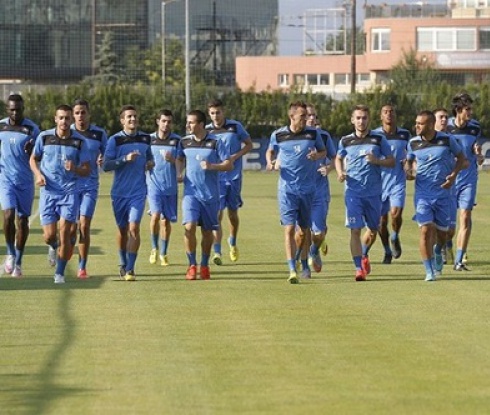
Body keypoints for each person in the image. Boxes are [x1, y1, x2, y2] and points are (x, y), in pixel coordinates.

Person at [265, 101, 326, 284]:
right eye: (302, 116)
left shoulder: (313, 134)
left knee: (304, 230)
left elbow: (323, 151)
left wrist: (316, 156)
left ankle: (303, 260)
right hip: (287, 190)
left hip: (307, 189)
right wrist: (270, 162)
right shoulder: (278, 135)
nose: (306, 119)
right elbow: (270, 151)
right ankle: (292, 269)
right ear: (291, 117)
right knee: (290, 228)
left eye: (306, 116)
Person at [29, 104, 91, 284]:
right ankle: (53, 246)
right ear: (55, 119)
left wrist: (75, 168)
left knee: (65, 234)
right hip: (48, 192)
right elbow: (33, 159)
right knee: (49, 236)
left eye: (67, 118)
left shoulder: (79, 142)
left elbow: (87, 169)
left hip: (69, 193)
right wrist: (38, 175)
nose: (64, 121)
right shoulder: (44, 137)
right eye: (61, 117)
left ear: (71, 120)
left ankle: (59, 274)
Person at [335, 105, 395, 281]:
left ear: (369, 120)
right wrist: (340, 172)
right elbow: (338, 158)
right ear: (352, 120)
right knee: (355, 230)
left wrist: (376, 161)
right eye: (358, 118)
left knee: (373, 229)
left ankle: (364, 255)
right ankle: (358, 268)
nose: (361, 121)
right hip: (353, 192)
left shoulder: (379, 139)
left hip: (374, 193)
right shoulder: (345, 141)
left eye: (364, 118)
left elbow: (391, 161)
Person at [405, 110, 465, 281]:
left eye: (420, 123)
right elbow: (408, 162)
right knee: (425, 230)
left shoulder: (447, 140)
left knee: (443, 234)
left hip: (443, 194)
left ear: (431, 125)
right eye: (416, 122)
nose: (416, 126)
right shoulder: (413, 142)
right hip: (423, 195)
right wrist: (408, 171)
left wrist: (453, 175)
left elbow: (461, 158)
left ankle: (439, 249)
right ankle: (429, 271)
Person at [175, 110, 232, 280]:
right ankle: (192, 265)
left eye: (191, 122)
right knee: (189, 226)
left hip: (210, 196)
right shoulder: (184, 142)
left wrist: (212, 166)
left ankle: (205, 265)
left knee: (207, 233)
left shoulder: (216, 142)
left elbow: (228, 164)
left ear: (201, 124)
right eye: (187, 122)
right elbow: (179, 158)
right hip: (190, 194)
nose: (188, 125)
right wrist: (179, 172)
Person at [103, 105, 154, 281]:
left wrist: (150, 164)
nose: (132, 119)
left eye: (134, 116)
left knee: (134, 228)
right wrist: (124, 159)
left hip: (138, 192)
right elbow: (106, 165)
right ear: (122, 120)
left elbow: (150, 158)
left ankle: (131, 269)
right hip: (119, 193)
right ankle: (122, 262)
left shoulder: (145, 138)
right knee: (122, 229)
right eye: (129, 117)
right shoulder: (114, 140)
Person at [206, 99, 253, 265]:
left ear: (223, 112)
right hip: (216, 177)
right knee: (217, 214)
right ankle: (217, 251)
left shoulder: (235, 126)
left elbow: (249, 145)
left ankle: (232, 241)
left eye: (218, 112)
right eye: (212, 113)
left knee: (232, 214)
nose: (215, 116)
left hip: (233, 177)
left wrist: (235, 156)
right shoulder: (207, 131)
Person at [294, 104, 336, 278]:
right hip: (300, 190)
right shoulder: (293, 136)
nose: (311, 118)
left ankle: (315, 249)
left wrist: (329, 168)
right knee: (303, 231)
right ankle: (305, 266)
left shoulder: (323, 136)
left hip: (319, 191)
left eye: (314, 116)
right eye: (308, 115)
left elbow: (335, 158)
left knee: (318, 233)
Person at [0, 94, 40, 277]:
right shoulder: (1, 126)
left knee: (22, 221)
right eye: (12, 109)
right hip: (5, 179)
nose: (15, 113)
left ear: (23, 109)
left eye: (18, 109)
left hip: (25, 182)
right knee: (8, 215)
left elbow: (41, 153)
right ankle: (10, 253)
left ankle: (18, 261)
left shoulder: (32, 129)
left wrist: (33, 152)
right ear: (7, 109)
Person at [69, 99, 108, 279]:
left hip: (89, 186)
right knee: (70, 229)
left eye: (83, 112)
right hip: (69, 186)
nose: (80, 116)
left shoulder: (99, 134)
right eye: (77, 113)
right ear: (73, 115)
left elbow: (108, 155)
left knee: (84, 225)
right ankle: (63, 249)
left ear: (89, 114)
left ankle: (82, 267)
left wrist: (103, 160)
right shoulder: (67, 133)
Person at [446, 93, 483, 271]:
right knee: (448, 224)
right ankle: (446, 246)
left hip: (469, 178)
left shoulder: (475, 128)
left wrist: (478, 154)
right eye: (467, 109)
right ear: (458, 110)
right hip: (450, 179)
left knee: (466, 216)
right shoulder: (446, 128)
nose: (471, 112)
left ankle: (459, 260)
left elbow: (478, 155)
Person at [372, 104, 411, 264]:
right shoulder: (375, 135)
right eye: (385, 112)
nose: (389, 114)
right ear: (381, 116)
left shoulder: (405, 134)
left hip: (397, 181)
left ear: (396, 115)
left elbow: (410, 154)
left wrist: (408, 164)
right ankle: (387, 250)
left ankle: (395, 236)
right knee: (381, 222)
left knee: (396, 213)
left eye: (391, 112)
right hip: (379, 183)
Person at [147, 109, 180, 267]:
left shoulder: (177, 141)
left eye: (169, 122)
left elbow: (182, 161)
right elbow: (143, 161)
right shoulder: (149, 140)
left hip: (170, 187)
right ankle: (154, 248)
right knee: (155, 215)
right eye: (163, 121)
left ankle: (164, 253)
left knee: (166, 221)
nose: (166, 124)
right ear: (158, 122)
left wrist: (172, 160)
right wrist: (147, 164)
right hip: (154, 185)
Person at [434, 107, 457, 265]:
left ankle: (447, 244)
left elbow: (464, 160)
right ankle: (438, 251)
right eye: (441, 117)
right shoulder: (422, 139)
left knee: (450, 230)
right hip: (429, 192)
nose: (444, 120)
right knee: (430, 226)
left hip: (449, 191)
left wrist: (455, 170)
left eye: (446, 117)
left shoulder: (451, 140)